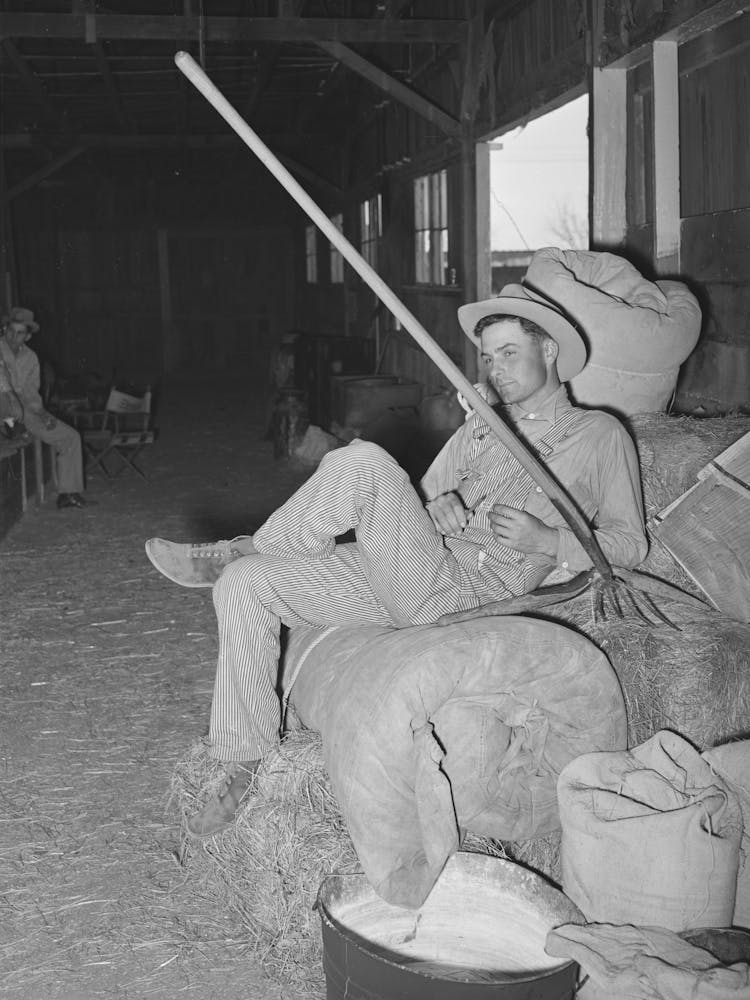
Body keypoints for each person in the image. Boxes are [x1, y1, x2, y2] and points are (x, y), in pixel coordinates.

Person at [145, 285, 648, 838]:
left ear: (549, 350)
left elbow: (629, 544)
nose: (496, 368)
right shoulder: (483, 426)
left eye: (509, 353)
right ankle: (245, 762)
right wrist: (442, 505)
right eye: (487, 356)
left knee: (364, 461)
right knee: (245, 586)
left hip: (469, 594)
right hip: (415, 568)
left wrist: (550, 541)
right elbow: (424, 498)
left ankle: (245, 545)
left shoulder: (598, 436)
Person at [0, 306, 92, 509]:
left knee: (70, 437)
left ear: (28, 336)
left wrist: (42, 414)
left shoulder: (31, 358)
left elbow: (32, 393)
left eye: (20, 333)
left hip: (24, 409)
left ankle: (68, 493)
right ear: (4, 328)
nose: (13, 336)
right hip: (3, 403)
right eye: (10, 330)